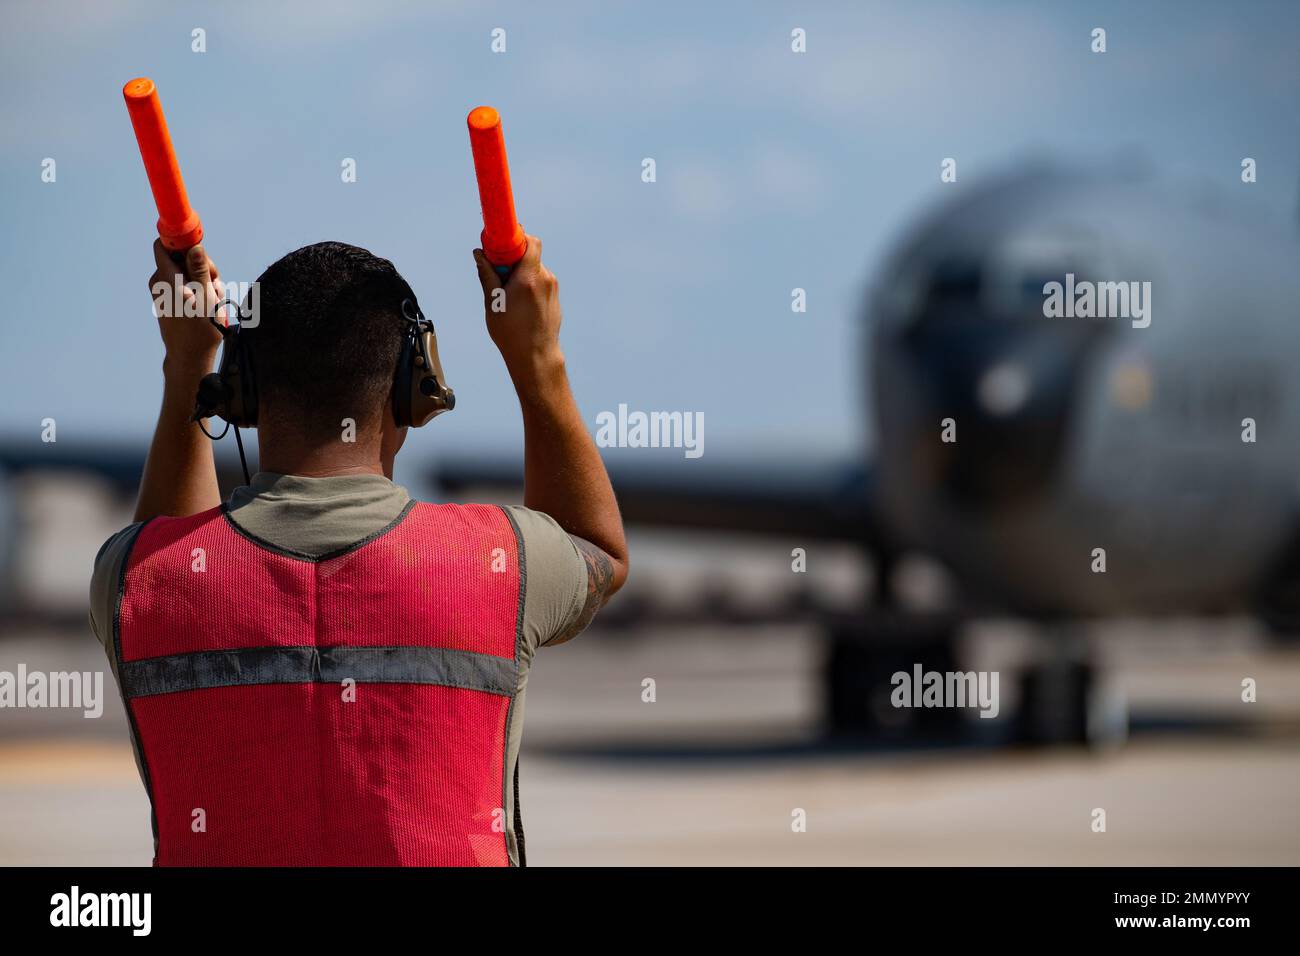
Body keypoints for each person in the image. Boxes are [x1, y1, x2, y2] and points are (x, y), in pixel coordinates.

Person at [87, 235, 628, 866]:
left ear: (242, 392)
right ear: (413, 385)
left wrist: (187, 370)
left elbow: (168, 557)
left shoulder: (133, 577)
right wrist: (538, 358)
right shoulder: (502, 558)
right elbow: (595, 549)